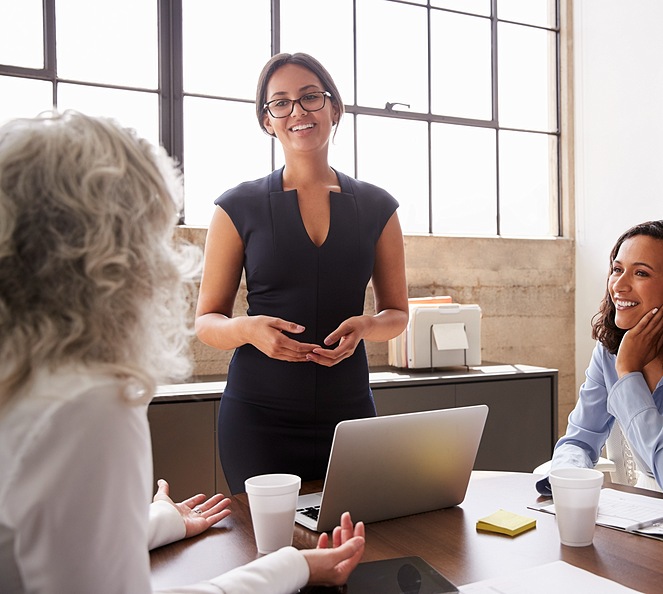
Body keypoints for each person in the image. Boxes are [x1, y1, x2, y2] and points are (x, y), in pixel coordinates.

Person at [0, 110, 365, 594]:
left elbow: (43, 545)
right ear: (112, 252)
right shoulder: (84, 407)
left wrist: (156, 525)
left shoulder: (28, 385)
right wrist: (293, 567)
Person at [195, 52, 409, 494]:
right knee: (269, 549)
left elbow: (397, 313)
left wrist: (368, 325)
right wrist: (249, 330)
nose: (298, 111)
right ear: (267, 120)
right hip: (258, 417)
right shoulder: (237, 207)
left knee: (353, 545)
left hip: (348, 412)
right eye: (281, 102)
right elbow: (207, 321)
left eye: (310, 97)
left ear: (334, 108)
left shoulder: (378, 208)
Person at [536, 220, 663, 496]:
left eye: (640, 273)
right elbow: (579, 440)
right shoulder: (609, 352)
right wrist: (566, 479)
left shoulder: (622, 361)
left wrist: (628, 373)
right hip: (644, 510)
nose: (619, 285)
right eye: (617, 269)